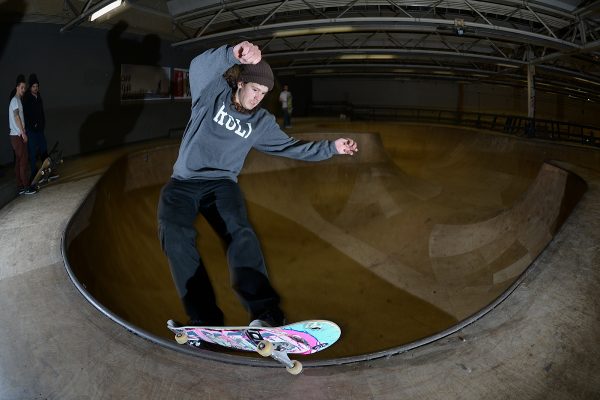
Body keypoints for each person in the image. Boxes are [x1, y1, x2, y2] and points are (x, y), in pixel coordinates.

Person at [159, 41, 358, 328]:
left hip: (221, 185)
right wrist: (230, 53)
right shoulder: (211, 94)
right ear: (241, 82)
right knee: (173, 233)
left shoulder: (262, 123)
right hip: (183, 182)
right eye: (254, 90)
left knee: (240, 233)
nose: (257, 99)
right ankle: (204, 316)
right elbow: (198, 66)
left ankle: (266, 314)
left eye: (263, 94)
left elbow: (291, 147)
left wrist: (331, 148)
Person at [8, 74, 36, 195]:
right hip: (17, 135)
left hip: (16, 135)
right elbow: (16, 117)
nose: (24, 90)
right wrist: (23, 133)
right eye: (22, 87)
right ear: (17, 87)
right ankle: (26, 187)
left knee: (19, 161)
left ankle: (20, 186)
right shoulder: (15, 100)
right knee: (24, 160)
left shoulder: (18, 100)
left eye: (25, 88)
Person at [22, 73, 48, 183]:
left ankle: (46, 170)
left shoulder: (39, 96)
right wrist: (32, 125)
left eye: (37, 86)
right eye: (33, 86)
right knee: (32, 153)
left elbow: (41, 112)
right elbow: (26, 115)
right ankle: (33, 174)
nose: (36, 88)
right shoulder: (27, 98)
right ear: (30, 87)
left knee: (43, 149)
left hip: (40, 130)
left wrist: (42, 123)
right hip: (32, 131)